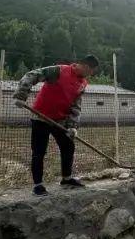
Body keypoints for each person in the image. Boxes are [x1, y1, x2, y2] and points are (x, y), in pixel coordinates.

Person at [14, 54, 100, 195]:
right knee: (39, 151)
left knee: (68, 146)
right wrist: (21, 95)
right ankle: (38, 185)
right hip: (40, 117)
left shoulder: (83, 83)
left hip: (60, 120)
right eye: (91, 71)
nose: (91, 75)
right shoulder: (59, 71)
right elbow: (32, 75)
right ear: (85, 66)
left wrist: (72, 126)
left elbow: (76, 105)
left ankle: (66, 178)